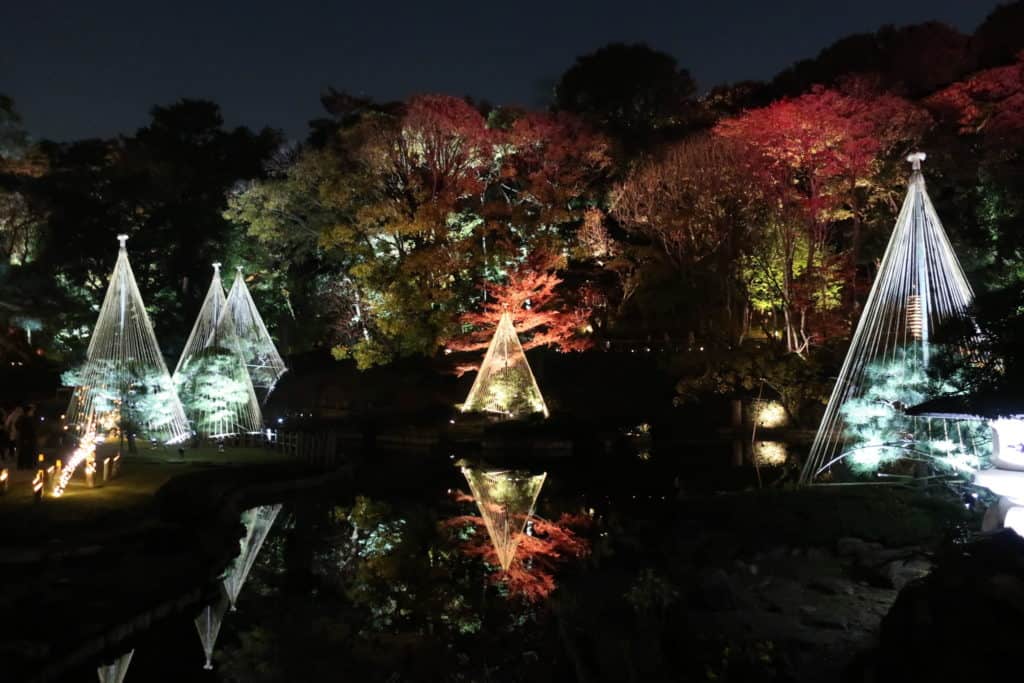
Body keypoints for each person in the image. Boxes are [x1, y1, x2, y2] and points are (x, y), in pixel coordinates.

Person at [15, 404, 38, 470]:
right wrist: (25, 436)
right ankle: (26, 465)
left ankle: (24, 465)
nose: (32, 412)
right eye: (31, 411)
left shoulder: (27, 418)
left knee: (25, 452)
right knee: (26, 452)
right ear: (28, 411)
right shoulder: (25, 418)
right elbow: (19, 426)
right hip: (26, 438)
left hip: (26, 438)